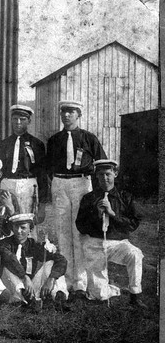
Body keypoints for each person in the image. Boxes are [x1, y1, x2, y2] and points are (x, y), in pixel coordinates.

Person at [45, 99, 106, 297]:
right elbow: (48, 167)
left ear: (78, 115)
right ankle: (66, 280)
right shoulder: (54, 140)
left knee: (79, 231)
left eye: (71, 112)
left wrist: (99, 193)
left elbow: (102, 164)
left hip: (81, 184)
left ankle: (80, 282)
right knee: (63, 230)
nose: (66, 116)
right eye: (63, 112)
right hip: (60, 183)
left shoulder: (89, 138)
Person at [75, 159, 146, 307]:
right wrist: (97, 215)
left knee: (135, 254)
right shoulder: (89, 198)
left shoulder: (125, 197)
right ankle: (110, 288)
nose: (104, 178)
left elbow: (133, 224)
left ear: (115, 174)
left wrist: (112, 214)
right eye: (100, 175)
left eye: (108, 174)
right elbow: (80, 226)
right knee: (99, 296)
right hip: (95, 243)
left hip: (118, 243)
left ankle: (135, 295)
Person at [0, 213, 68, 312]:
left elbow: (61, 259)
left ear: (30, 230)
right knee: (7, 268)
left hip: (30, 285)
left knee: (51, 262)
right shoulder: (4, 244)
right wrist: (24, 277)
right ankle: (26, 300)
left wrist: (51, 278)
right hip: (13, 285)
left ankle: (58, 296)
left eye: (23, 228)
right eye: (16, 227)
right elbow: (10, 259)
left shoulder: (34, 245)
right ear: (12, 228)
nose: (19, 231)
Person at [0, 105, 48, 226]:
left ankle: (29, 244)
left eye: (22, 119)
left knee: (27, 222)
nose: (18, 122)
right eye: (15, 119)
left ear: (29, 121)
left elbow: (42, 174)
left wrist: (42, 205)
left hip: (28, 186)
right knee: (6, 219)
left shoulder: (36, 144)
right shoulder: (4, 143)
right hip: (7, 184)